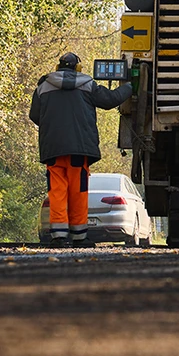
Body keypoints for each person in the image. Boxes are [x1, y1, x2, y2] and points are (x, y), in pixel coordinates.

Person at [29, 52, 134, 248]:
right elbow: (110, 100)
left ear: (57, 67)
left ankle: (59, 237)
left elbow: (35, 115)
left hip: (53, 149)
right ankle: (79, 237)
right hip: (79, 149)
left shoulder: (43, 87)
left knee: (57, 191)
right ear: (78, 68)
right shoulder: (87, 85)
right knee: (78, 191)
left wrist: (53, 125)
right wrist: (130, 86)